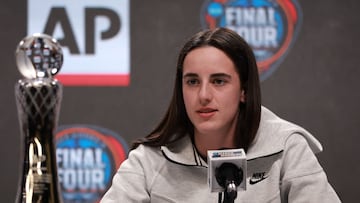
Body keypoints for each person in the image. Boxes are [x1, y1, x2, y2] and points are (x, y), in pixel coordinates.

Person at [101, 27, 341, 202]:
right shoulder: (148, 161)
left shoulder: (287, 148)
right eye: (192, 81)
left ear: (244, 90)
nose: (203, 95)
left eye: (218, 81)